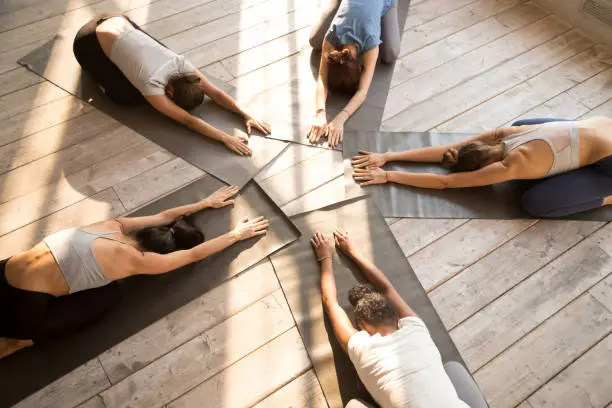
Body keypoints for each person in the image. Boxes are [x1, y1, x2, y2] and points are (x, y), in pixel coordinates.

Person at [0, 186, 269, 359]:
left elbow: (165, 215)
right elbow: (193, 255)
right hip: (23, 309)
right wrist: (235, 235)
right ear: (157, 253)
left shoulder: (111, 225)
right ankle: (18, 343)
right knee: (107, 299)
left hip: (5, 270)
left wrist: (205, 202)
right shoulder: (135, 261)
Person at [310, 229, 469, 408]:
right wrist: (353, 251)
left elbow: (330, 303)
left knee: (354, 405)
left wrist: (326, 258)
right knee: (454, 369)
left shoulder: (362, 347)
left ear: (361, 327)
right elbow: (387, 289)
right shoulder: (415, 327)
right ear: (396, 317)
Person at [73, 14, 271, 156]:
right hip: (88, 39)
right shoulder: (151, 84)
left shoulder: (183, 65)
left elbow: (216, 94)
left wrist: (248, 114)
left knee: (151, 55)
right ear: (168, 91)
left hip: (117, 19)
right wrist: (225, 138)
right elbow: (187, 120)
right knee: (126, 97)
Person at [351, 117, 612, 218]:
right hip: (601, 126)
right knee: (526, 123)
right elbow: (448, 151)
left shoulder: (511, 164)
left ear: (486, 168)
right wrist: (388, 155)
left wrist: (388, 176)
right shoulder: (502, 134)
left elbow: (445, 183)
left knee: (535, 203)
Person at [307, 0, 401, 148]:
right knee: (315, 40)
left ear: (360, 66)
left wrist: (341, 118)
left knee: (390, 54)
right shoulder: (332, 37)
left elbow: (362, 91)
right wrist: (319, 112)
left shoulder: (370, 42)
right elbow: (322, 78)